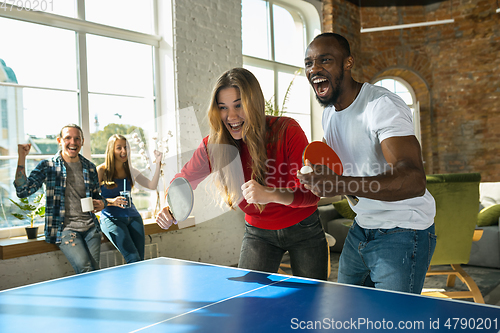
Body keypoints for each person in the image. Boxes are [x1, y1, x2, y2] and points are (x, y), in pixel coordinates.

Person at [156, 67, 329, 280]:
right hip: (258, 233)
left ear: (254, 103)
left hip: (304, 228)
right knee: (248, 303)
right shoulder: (214, 145)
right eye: (223, 108)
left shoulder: (287, 130)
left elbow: (312, 196)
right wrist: (171, 207)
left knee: (314, 302)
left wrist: (271, 194)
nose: (231, 116)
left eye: (239, 105)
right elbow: (183, 180)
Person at [298, 32, 436, 294]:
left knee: (392, 321)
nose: (314, 69)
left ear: (348, 63)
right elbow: (346, 172)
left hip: (404, 229)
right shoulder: (329, 114)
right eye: (309, 63)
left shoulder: (381, 105)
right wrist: (324, 181)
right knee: (349, 314)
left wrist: (339, 183)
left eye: (325, 60)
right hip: (363, 226)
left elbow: (414, 180)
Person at [15, 124, 106, 274]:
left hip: (91, 229)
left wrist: (102, 203)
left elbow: (97, 197)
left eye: (77, 138)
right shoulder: (47, 166)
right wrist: (22, 157)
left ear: (82, 141)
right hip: (65, 230)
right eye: (68, 138)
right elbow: (23, 191)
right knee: (86, 269)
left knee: (95, 272)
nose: (73, 142)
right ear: (59, 140)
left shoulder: (90, 167)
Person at [97, 134, 162, 263]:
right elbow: (92, 197)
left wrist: (158, 162)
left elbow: (152, 185)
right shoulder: (101, 170)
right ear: (111, 150)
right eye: (119, 148)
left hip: (134, 217)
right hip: (112, 219)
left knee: (140, 260)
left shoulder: (131, 171)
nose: (124, 151)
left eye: (126, 147)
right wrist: (111, 201)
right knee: (133, 258)